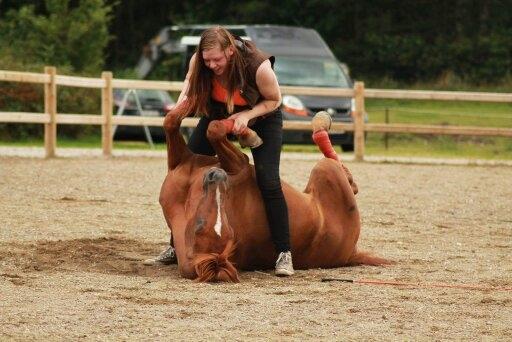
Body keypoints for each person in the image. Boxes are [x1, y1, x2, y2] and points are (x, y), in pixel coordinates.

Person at [144, 26, 294, 276]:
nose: (212, 65)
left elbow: (274, 100)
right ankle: (175, 245)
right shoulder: (199, 62)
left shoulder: (258, 66)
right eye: (207, 60)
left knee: (269, 182)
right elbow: (189, 85)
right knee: (185, 171)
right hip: (218, 115)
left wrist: (246, 116)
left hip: (262, 118)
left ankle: (284, 252)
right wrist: (179, 108)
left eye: (217, 59)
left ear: (230, 51)